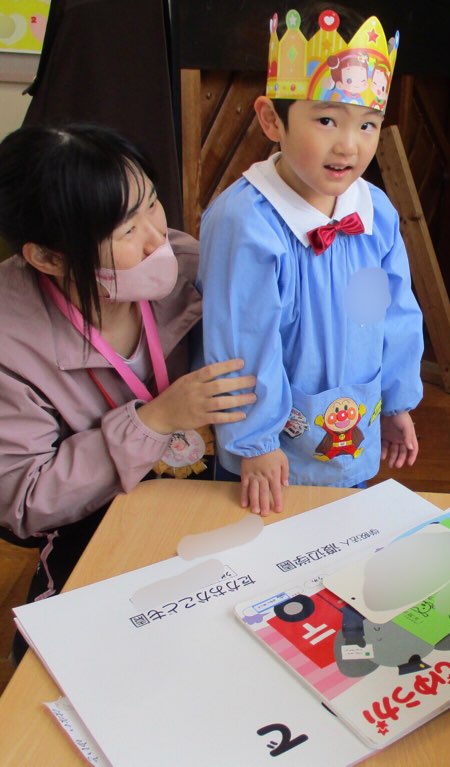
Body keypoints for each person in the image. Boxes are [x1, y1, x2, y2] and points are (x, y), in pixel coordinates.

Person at [0, 124, 256, 618]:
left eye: (152, 204)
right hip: (95, 516)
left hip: (213, 487)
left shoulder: (190, 266)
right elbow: (25, 501)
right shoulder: (10, 342)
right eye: (127, 231)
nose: (158, 238)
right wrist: (153, 421)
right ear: (48, 257)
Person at [198, 6, 423, 516]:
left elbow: (389, 313)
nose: (349, 145)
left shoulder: (374, 212)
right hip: (266, 455)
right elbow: (241, 342)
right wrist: (254, 442)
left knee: (336, 542)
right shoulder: (245, 222)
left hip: (351, 434)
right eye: (326, 120)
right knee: (261, 543)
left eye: (368, 125)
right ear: (271, 119)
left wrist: (396, 401)